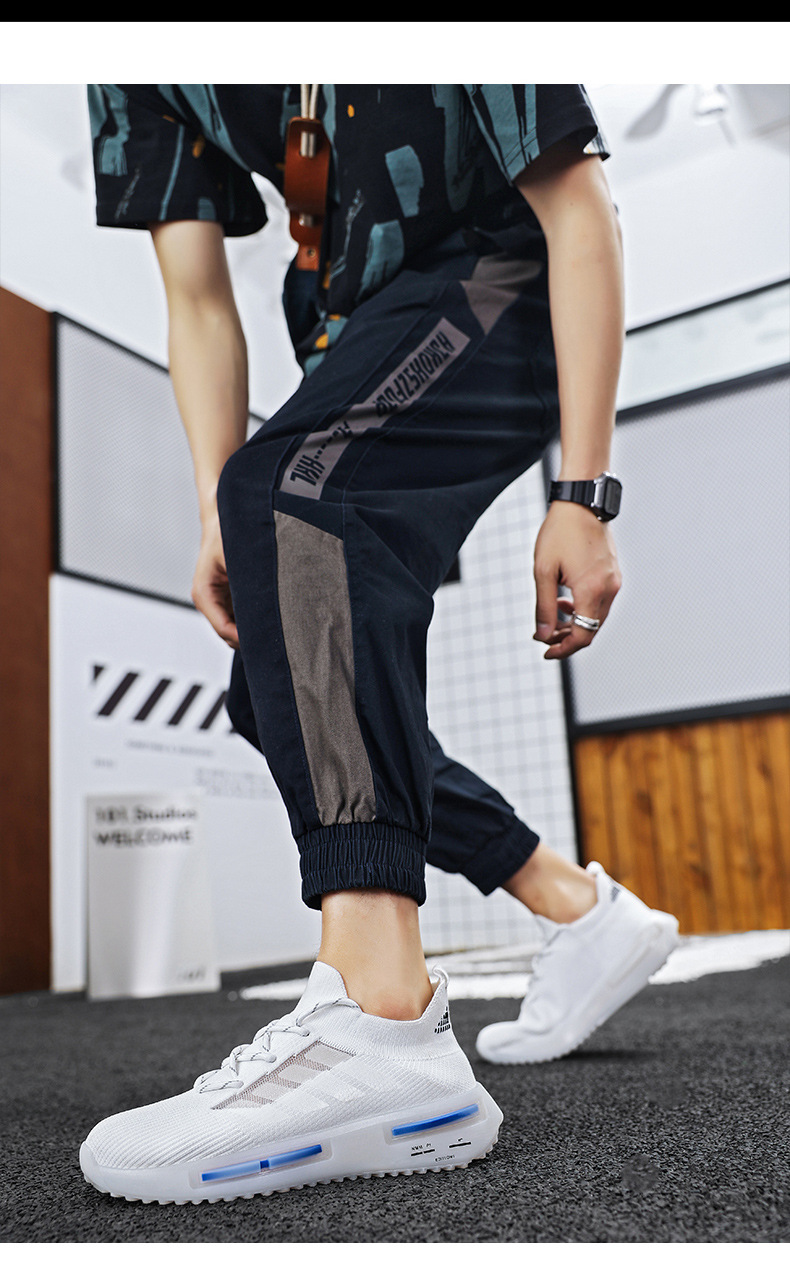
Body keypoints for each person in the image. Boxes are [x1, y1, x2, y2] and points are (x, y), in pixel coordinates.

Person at [80, 84, 679, 1205]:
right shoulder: (131, 70)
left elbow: (577, 202)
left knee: (304, 498)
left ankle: (381, 1018)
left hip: (503, 267)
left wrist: (584, 492)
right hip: (354, 323)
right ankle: (577, 907)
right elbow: (198, 300)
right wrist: (220, 515)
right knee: (277, 690)